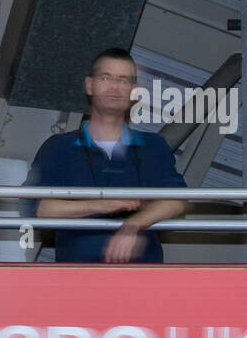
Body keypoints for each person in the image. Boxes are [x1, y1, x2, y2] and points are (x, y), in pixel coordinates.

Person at [23, 47, 186, 262]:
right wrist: (104, 204)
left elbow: (176, 201)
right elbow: (39, 208)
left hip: (143, 279)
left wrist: (132, 225)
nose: (115, 87)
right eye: (106, 77)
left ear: (134, 91)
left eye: (123, 80)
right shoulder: (59, 147)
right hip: (77, 281)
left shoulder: (153, 146)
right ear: (89, 85)